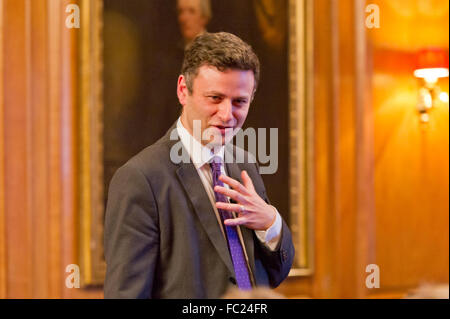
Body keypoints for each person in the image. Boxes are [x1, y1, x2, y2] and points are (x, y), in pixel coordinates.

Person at [104, 32, 295, 299]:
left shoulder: (244, 165)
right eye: (215, 98)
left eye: (239, 101)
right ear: (184, 90)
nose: (228, 115)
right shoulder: (140, 179)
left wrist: (270, 223)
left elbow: (273, 274)